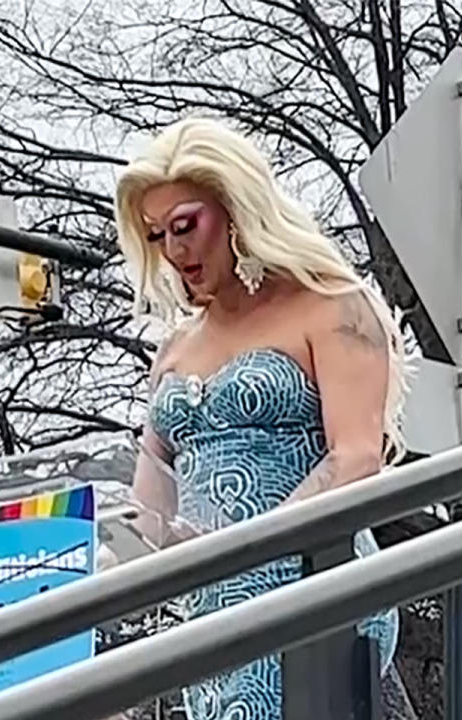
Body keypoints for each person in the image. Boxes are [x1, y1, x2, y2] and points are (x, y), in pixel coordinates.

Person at [115, 117, 412, 720]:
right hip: (210, 609)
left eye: (185, 225)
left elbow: (357, 456)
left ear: (234, 208)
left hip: (311, 584)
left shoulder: (329, 306)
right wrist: (105, 548)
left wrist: (249, 546)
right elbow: (152, 492)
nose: (174, 251)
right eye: (156, 236)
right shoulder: (174, 348)